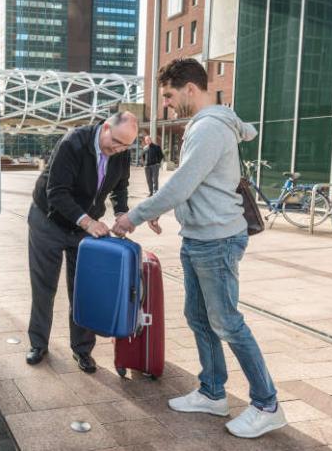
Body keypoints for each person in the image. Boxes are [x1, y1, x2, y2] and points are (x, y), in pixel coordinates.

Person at [113, 58, 286, 439]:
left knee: (227, 322)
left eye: (169, 96)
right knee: (199, 317)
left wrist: (135, 216)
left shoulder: (209, 128)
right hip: (199, 237)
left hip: (217, 240)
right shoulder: (203, 126)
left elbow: (183, 183)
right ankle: (212, 392)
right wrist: (167, 208)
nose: (167, 104)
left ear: (190, 88)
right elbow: (189, 182)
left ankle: (267, 403)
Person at [26, 112, 138, 373]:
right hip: (49, 221)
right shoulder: (73, 143)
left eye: (125, 146)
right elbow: (57, 192)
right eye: (117, 142)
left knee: (83, 289)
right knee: (44, 287)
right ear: (106, 127)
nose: (119, 149)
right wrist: (88, 222)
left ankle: (82, 350)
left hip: (83, 227)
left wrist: (121, 213)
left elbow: (121, 186)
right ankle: (38, 344)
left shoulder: (121, 150)